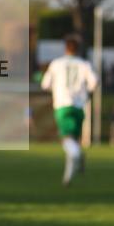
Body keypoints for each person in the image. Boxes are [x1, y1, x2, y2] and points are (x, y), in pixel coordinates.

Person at [40, 34, 98, 186]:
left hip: (62, 105)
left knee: (66, 139)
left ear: (65, 48)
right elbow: (94, 82)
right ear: (78, 49)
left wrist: (55, 89)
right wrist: (86, 92)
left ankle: (78, 154)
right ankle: (68, 177)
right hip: (79, 106)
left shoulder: (56, 64)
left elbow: (45, 84)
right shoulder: (84, 64)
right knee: (73, 139)